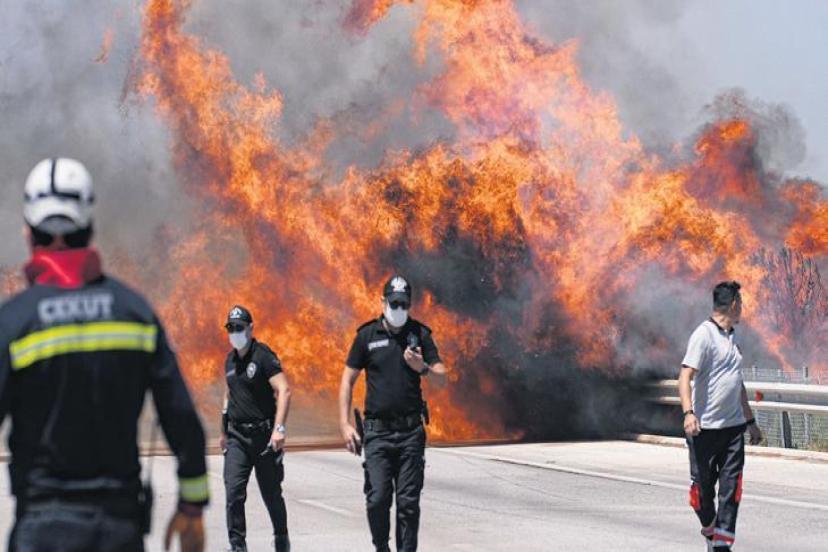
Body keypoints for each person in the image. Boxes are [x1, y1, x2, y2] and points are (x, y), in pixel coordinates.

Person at [0, 157, 208, 552]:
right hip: (117, 530)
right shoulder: (135, 313)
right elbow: (181, 418)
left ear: (29, 232)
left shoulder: (14, 322)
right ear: (90, 227)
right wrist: (192, 507)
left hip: (41, 530)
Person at [339, 275, 447, 552]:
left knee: (408, 505)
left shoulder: (420, 334)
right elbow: (347, 380)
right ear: (383, 301)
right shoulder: (367, 336)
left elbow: (443, 378)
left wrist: (423, 367)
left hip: (410, 433)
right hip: (377, 434)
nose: (399, 309)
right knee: (377, 500)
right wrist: (344, 424)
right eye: (394, 303)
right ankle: (381, 547)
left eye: (403, 304)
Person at [678, 281, 763, 552]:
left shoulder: (733, 337)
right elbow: (685, 376)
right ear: (734, 304)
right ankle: (710, 530)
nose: (743, 308)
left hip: (733, 430)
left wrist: (750, 422)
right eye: (742, 303)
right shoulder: (703, 335)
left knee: (731, 493)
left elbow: (736, 383)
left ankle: (722, 546)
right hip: (704, 430)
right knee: (701, 495)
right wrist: (689, 413)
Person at [220, 305, 291, 552]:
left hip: (264, 438)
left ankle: (281, 539)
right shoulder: (229, 361)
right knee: (233, 492)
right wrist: (223, 432)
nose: (235, 332)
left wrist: (279, 429)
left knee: (271, 494)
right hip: (237, 438)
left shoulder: (263, 356)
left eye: (239, 327)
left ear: (250, 328)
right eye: (231, 328)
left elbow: (284, 390)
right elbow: (228, 395)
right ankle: (237, 546)